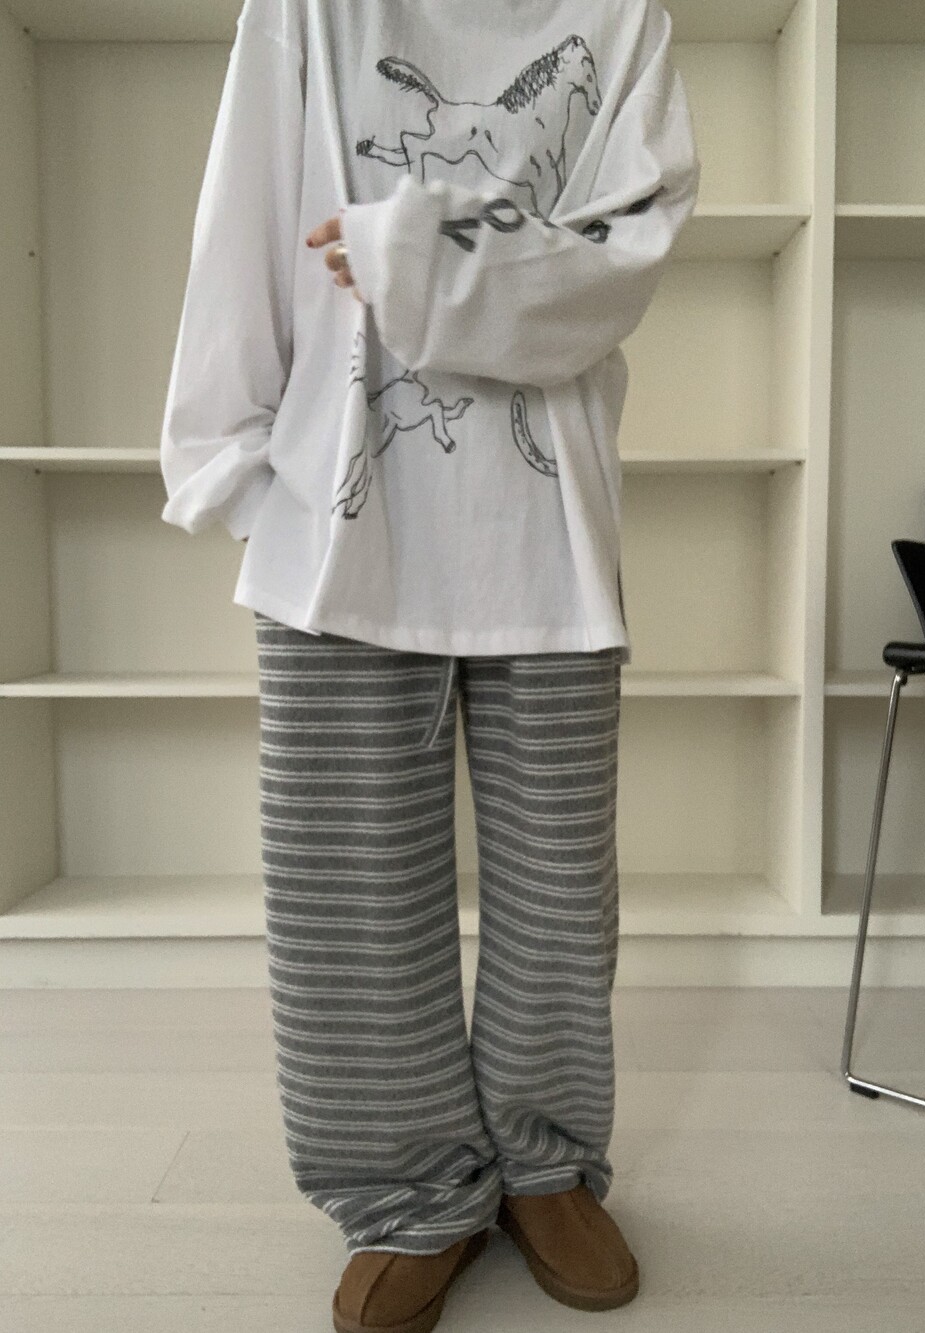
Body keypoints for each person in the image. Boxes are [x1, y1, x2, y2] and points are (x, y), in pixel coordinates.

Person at [159, 1, 699, 1328]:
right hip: (342, 510)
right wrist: (233, 456)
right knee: (346, 888)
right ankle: (409, 1188)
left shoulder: (620, 17)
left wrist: (409, 243)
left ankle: (544, 1166)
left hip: (548, 527)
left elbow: (623, 261)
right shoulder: (310, 10)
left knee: (559, 884)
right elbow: (244, 220)